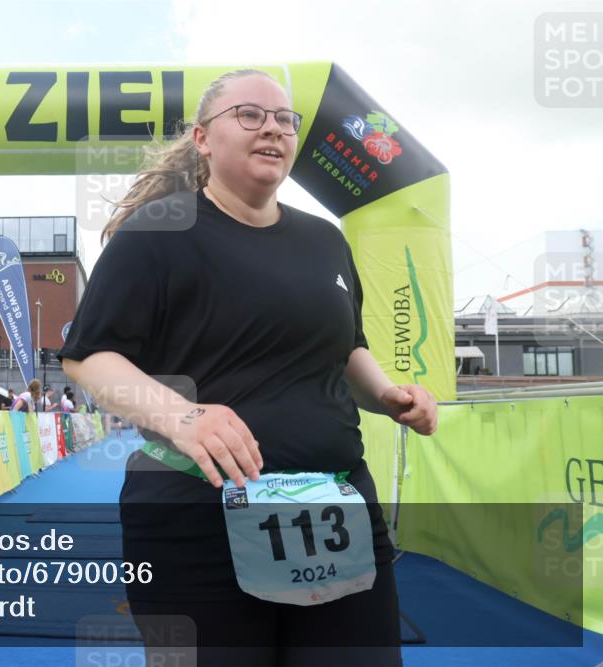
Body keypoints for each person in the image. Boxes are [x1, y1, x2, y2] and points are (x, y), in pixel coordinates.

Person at [58, 70, 437, 666]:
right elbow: (89, 356)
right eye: (251, 115)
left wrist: (388, 394)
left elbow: (346, 347)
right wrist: (182, 417)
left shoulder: (326, 241)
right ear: (203, 138)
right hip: (196, 517)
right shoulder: (156, 235)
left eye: (285, 120)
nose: (274, 130)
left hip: (334, 508)